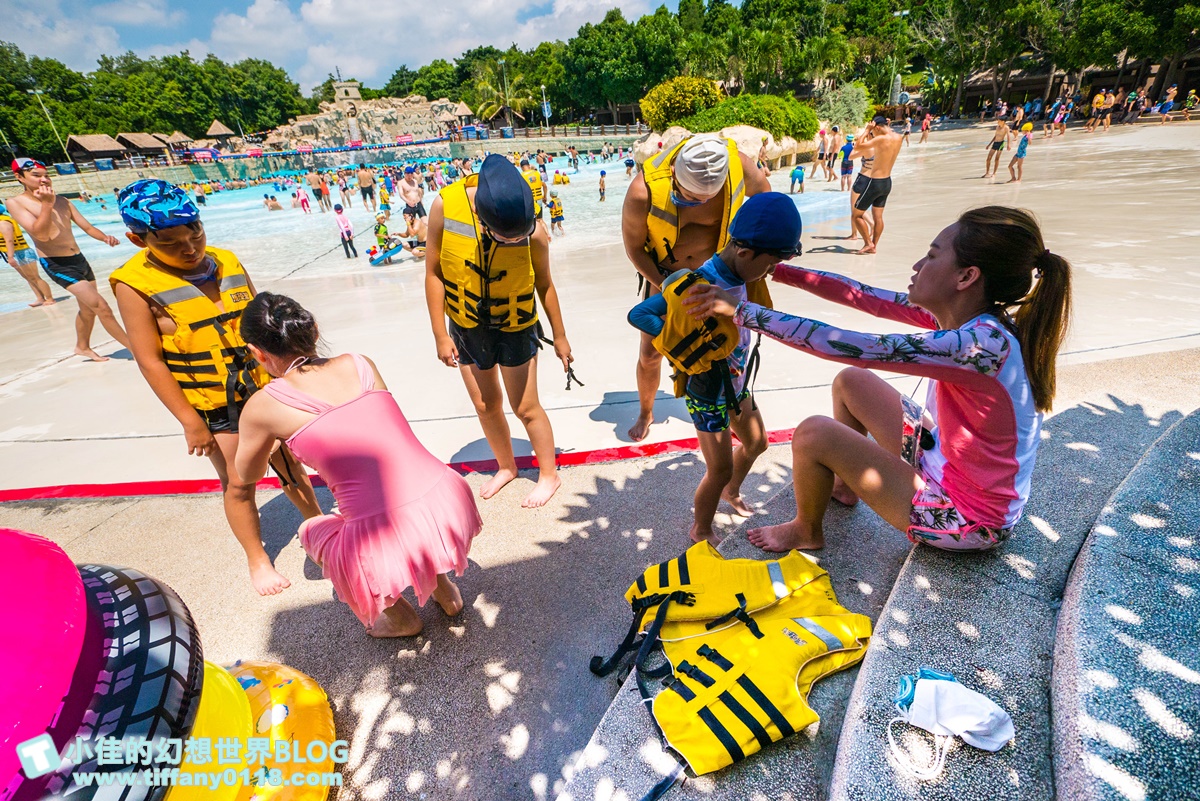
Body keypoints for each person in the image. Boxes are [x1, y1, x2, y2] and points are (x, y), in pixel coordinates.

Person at [683, 205, 1072, 553]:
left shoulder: (976, 346)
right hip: (946, 463)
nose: (918, 265)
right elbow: (862, 295)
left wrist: (740, 309)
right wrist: (780, 268)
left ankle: (806, 530)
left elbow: (842, 344)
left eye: (933, 256)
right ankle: (844, 486)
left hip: (967, 520)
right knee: (851, 383)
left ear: (967, 276)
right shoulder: (971, 319)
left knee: (813, 432)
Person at [110, 180, 321, 595]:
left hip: (264, 386)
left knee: (292, 466)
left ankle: (322, 535)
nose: (189, 248)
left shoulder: (226, 261)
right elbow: (150, 360)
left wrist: (292, 373)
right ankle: (257, 559)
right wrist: (190, 421)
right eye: (170, 242)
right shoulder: (133, 284)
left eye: (196, 233)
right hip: (214, 402)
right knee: (239, 482)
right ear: (138, 238)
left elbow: (265, 323)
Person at [234, 293, 481, 636]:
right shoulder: (360, 362)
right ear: (314, 330)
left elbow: (245, 474)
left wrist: (273, 439)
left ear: (257, 353)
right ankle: (446, 592)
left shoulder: (263, 407)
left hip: (385, 531)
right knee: (400, 506)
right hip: (448, 497)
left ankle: (401, 619)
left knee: (313, 531)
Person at [628, 194, 800, 542]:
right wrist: (680, 341)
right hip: (707, 390)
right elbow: (639, 314)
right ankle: (701, 528)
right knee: (718, 468)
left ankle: (730, 492)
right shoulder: (694, 284)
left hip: (737, 382)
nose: (770, 273)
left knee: (757, 443)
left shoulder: (746, 273)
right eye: (769, 265)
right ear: (745, 252)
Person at [423, 154, 574, 507]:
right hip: (466, 325)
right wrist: (439, 335)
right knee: (485, 403)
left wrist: (561, 335)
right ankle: (506, 466)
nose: (511, 242)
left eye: (516, 237)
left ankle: (549, 474)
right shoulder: (445, 206)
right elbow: (433, 273)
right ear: (481, 216)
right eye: (503, 237)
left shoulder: (532, 230)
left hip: (515, 324)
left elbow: (545, 284)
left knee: (525, 406)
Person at [620, 133, 771, 442]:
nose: (700, 204)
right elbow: (635, 250)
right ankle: (646, 411)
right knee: (651, 354)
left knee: (725, 352)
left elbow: (766, 202)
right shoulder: (642, 190)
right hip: (666, 279)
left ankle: (726, 410)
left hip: (721, 279)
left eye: (707, 199)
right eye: (689, 197)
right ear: (674, 170)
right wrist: (668, 287)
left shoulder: (738, 166)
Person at [5, 157, 130, 360]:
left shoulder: (63, 201)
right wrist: (46, 205)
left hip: (78, 259)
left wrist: (105, 237)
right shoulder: (16, 203)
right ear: (20, 177)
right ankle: (138, 350)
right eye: (36, 176)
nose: (44, 180)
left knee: (87, 309)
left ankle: (82, 347)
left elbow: (87, 227)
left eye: (46, 176)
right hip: (56, 263)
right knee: (101, 306)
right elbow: (41, 235)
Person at [848, 116, 903, 254]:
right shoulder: (898, 137)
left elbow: (858, 146)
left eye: (874, 130)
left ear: (877, 127)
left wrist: (866, 130)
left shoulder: (880, 139)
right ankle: (874, 246)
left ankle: (868, 243)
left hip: (875, 182)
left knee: (856, 215)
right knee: (878, 217)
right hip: (887, 182)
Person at [0, 200, 55, 306]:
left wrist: (10, 257)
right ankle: (40, 298)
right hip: (13, 253)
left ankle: (49, 298)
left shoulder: (3, 223)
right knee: (28, 277)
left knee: (35, 277)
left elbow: (9, 240)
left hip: (22, 252)